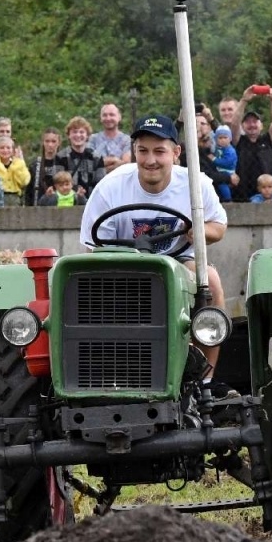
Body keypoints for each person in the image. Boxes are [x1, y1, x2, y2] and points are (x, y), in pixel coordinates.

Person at [79, 114, 228, 378]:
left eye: (159, 151)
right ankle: (101, 373)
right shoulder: (109, 189)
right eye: (143, 151)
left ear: (176, 152)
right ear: (133, 151)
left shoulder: (196, 184)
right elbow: (94, 247)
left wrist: (200, 230)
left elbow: (219, 226)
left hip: (179, 262)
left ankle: (205, 381)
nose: (151, 160)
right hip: (122, 264)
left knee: (212, 282)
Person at [232, 107, 272, 198]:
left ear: (261, 125)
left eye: (255, 121)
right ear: (243, 126)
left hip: (267, 196)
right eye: (248, 122)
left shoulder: (268, 140)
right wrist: (244, 100)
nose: (251, 124)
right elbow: (235, 123)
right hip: (242, 196)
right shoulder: (239, 141)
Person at [58, 116, 102, 199]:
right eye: (74, 132)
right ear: (69, 135)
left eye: (81, 132)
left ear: (87, 135)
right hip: (67, 201)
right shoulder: (60, 157)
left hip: (91, 201)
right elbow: (58, 183)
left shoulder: (96, 157)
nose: (78, 135)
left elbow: (101, 183)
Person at [0, 136, 31, 207]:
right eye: (2, 148)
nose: (5, 150)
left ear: (13, 150)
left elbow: (24, 181)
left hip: (15, 199)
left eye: (8, 148)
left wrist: (16, 164)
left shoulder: (19, 164)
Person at [89, 102, 132, 175]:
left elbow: (126, 165)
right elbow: (89, 163)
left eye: (112, 115)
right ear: (100, 118)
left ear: (119, 117)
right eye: (105, 115)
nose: (108, 118)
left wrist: (100, 164)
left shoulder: (127, 140)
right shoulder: (92, 139)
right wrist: (115, 160)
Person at [28, 129, 65, 206]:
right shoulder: (35, 165)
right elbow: (29, 191)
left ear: (59, 143)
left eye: (53, 141)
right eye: (47, 141)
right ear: (43, 142)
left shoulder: (64, 163)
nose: (50, 145)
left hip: (60, 206)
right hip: (38, 206)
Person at [212, 126, 238, 202]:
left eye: (225, 137)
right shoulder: (218, 148)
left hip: (228, 171)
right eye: (220, 138)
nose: (223, 140)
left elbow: (227, 162)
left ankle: (228, 199)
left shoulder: (230, 150)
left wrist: (214, 159)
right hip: (219, 171)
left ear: (230, 138)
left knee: (222, 185)